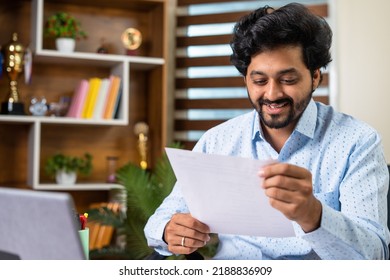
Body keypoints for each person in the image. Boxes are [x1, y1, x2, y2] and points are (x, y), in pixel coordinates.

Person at [144, 2, 390, 259]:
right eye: (259, 81)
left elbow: (375, 255)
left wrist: (314, 215)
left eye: (288, 80)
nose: (272, 94)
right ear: (246, 79)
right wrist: (168, 230)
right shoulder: (218, 141)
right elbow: (160, 221)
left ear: (315, 76)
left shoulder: (357, 142)